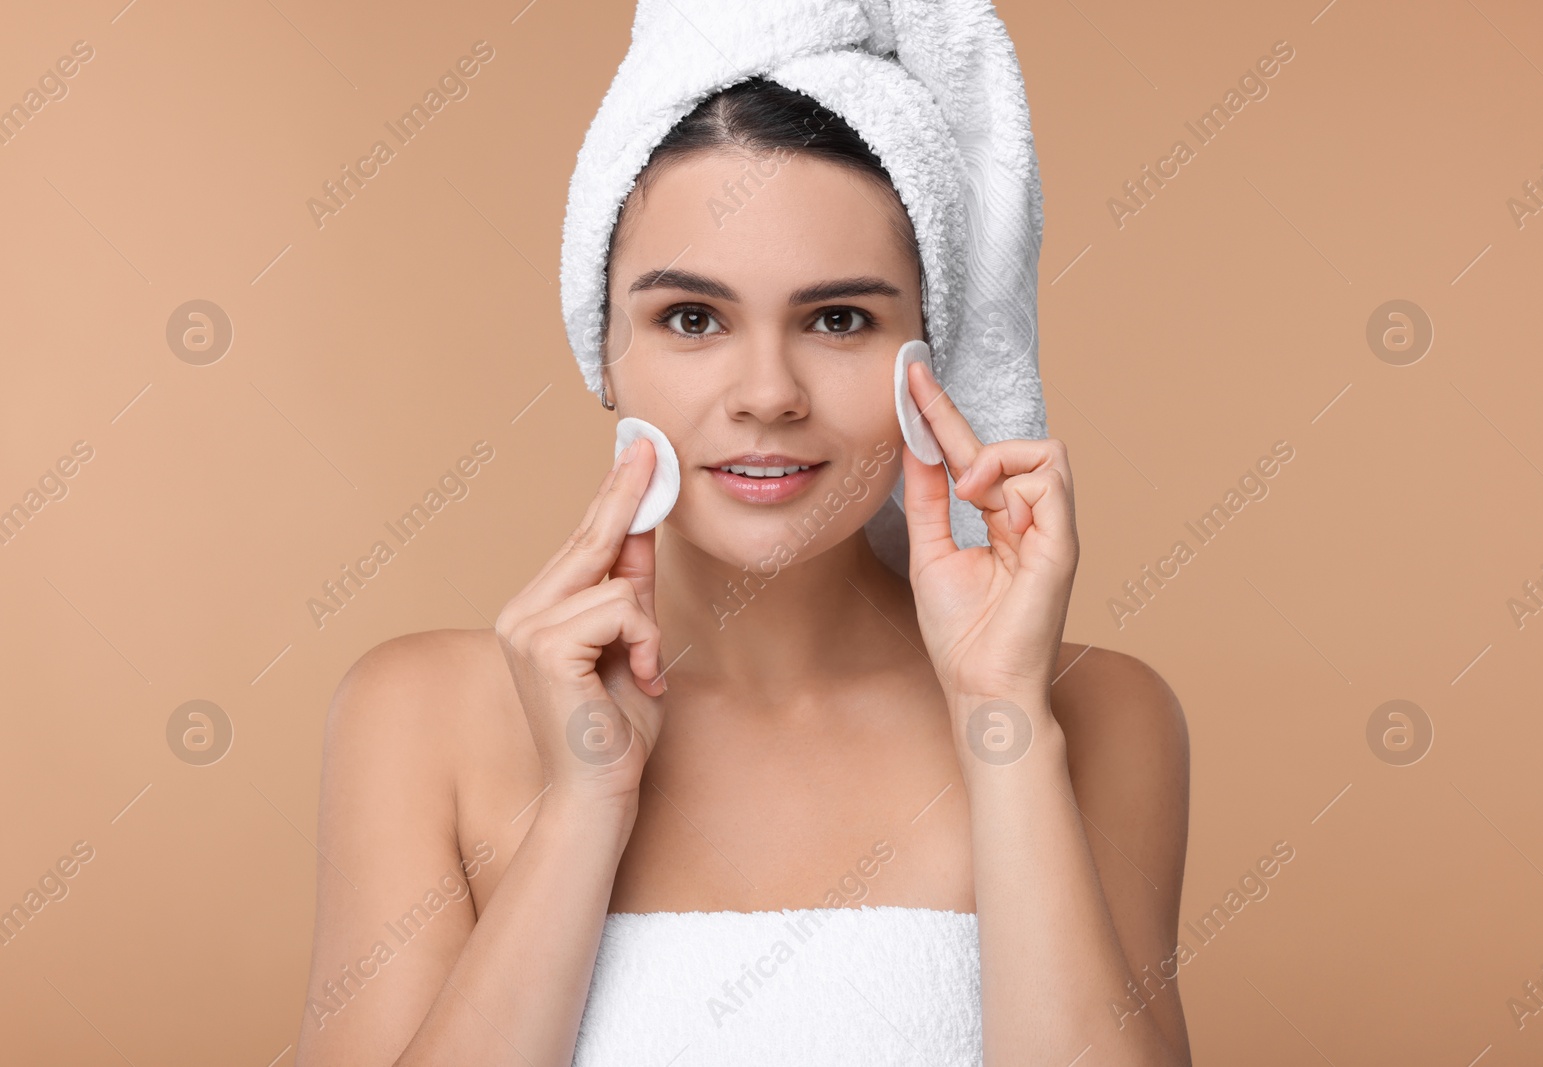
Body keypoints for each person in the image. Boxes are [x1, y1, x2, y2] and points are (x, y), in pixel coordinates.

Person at [297, 23, 1190, 1067]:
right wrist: (584, 808)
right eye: (690, 319)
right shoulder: (421, 716)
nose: (766, 394)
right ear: (604, 351)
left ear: (929, 352)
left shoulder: (1098, 716)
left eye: (839, 320)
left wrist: (1002, 720)